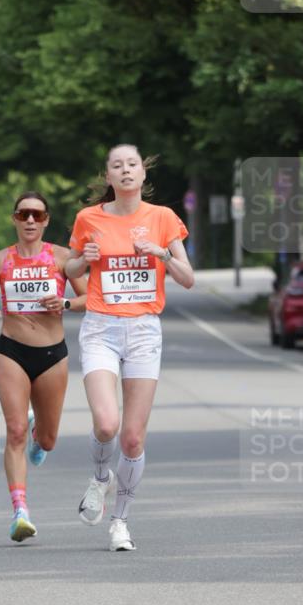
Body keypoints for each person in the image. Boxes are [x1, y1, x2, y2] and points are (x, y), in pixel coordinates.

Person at [66, 143, 194, 551]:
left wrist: (162, 255)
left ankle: (120, 522)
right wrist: (82, 260)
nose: (125, 171)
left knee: (133, 438)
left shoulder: (163, 219)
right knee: (107, 424)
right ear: (108, 177)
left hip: (143, 330)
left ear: (142, 174)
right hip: (101, 327)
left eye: (132, 165)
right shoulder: (89, 218)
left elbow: (188, 278)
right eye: (117, 166)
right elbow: (68, 267)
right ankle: (101, 477)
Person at [0, 191, 87, 543]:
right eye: (23, 215)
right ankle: (20, 511)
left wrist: (64, 302)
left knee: (47, 441)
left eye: (37, 215)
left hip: (52, 355)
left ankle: (40, 434)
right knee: (14, 431)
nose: (30, 221)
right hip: (11, 351)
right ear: (15, 219)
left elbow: (90, 298)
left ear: (46, 220)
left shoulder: (63, 258)